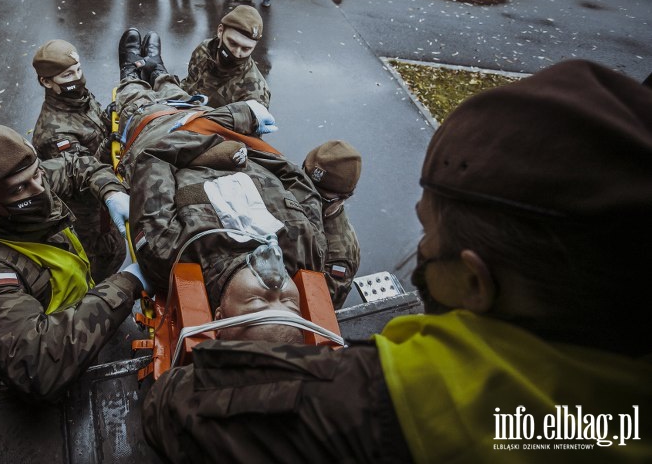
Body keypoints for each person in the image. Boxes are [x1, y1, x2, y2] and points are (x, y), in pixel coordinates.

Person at [142, 59, 652, 463]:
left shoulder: (391, 406)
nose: (423, 250)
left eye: (429, 235)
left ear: (476, 283)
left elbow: (177, 406)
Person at [114, 28, 327, 306]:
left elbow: (153, 161)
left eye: (258, 303)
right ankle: (157, 70)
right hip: (209, 123)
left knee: (135, 98)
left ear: (220, 314)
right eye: (287, 305)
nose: (273, 290)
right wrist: (243, 148)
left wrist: (209, 150)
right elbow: (295, 178)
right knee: (174, 92)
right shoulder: (308, 251)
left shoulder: (174, 255)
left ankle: (131, 73)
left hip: (159, 135)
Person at [0, 122, 148, 402]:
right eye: (20, 190)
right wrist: (127, 283)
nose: (40, 189)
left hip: (82, 311)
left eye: (38, 174)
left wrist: (111, 191)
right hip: (68, 368)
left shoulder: (23, 183)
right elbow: (36, 365)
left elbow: (78, 165)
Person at [30, 39, 127, 282]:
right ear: (46, 81)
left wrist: (109, 117)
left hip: (104, 202)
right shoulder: (54, 132)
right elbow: (78, 173)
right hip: (85, 214)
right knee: (96, 261)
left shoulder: (76, 98)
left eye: (78, 70)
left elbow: (94, 122)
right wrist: (108, 147)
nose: (78, 78)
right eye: (67, 75)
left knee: (113, 248)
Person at [303, 140, 362, 308]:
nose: (306, 197)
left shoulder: (340, 254)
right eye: (304, 184)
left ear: (344, 197)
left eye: (321, 198)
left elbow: (319, 310)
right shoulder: (290, 184)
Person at [181, 5, 270, 109]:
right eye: (233, 43)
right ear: (220, 31)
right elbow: (189, 83)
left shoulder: (255, 94)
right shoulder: (205, 49)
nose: (237, 53)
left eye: (246, 49)